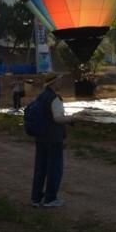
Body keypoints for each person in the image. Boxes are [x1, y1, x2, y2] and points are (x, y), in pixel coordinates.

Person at [31, 72, 76, 208]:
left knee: (40, 168)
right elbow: (58, 118)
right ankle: (50, 199)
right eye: (59, 80)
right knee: (54, 169)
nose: (61, 83)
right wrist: (74, 118)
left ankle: (36, 198)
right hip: (54, 139)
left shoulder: (40, 96)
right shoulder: (54, 98)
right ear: (54, 83)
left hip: (41, 138)